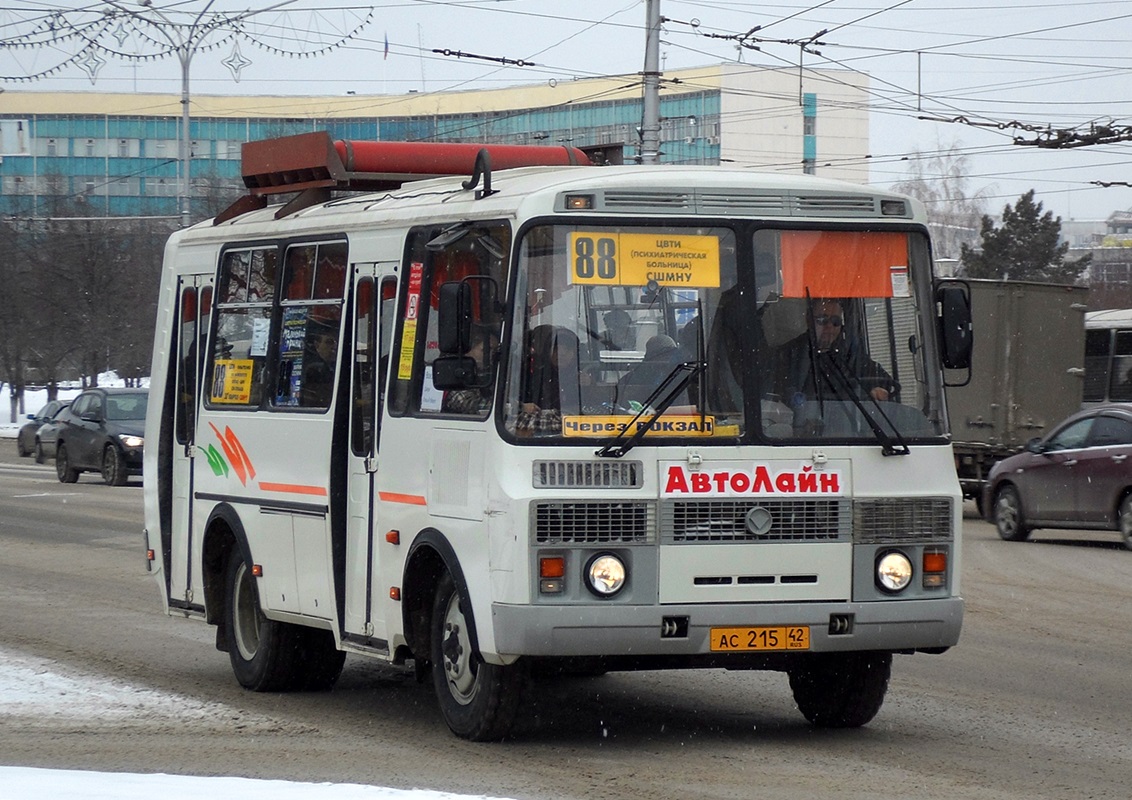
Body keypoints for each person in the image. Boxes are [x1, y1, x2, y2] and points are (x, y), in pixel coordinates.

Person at [775, 298, 896, 404]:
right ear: (809, 320)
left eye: (836, 322)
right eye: (822, 320)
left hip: (845, 425)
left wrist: (876, 388)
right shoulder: (789, 355)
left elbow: (882, 379)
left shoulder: (849, 353)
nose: (829, 327)